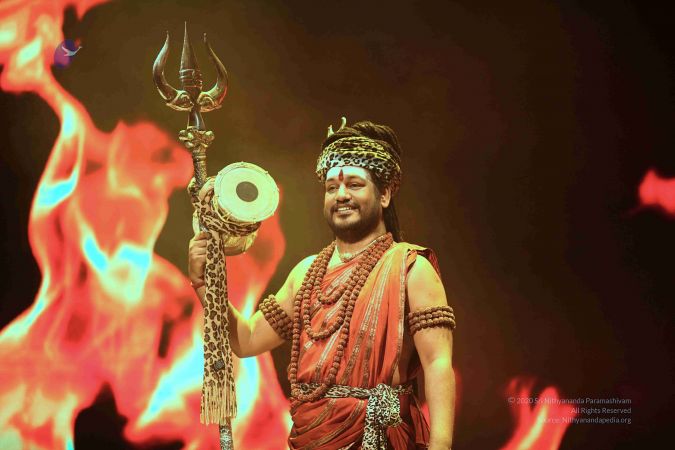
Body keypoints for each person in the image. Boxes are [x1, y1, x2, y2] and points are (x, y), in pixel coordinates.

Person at [188, 120, 456, 449]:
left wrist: (441, 445)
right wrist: (206, 284)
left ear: (385, 194)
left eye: (354, 184)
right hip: (310, 437)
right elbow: (246, 340)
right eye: (331, 187)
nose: (341, 195)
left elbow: (437, 364)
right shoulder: (306, 273)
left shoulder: (411, 268)